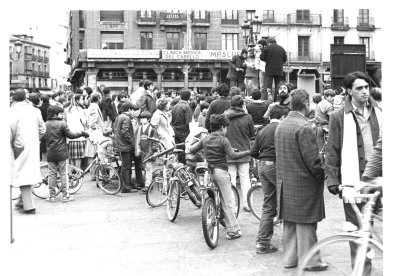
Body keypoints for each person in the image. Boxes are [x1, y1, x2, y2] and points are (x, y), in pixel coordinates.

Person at [325, 71, 382, 275]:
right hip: (353, 181)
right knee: (358, 232)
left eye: (366, 87)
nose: (365, 91)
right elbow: (332, 149)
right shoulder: (339, 116)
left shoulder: (379, 111)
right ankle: (362, 272)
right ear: (349, 91)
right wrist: (333, 180)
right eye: (359, 88)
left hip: (379, 179)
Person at [275, 89, 327, 270]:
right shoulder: (304, 127)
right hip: (303, 183)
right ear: (306, 104)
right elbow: (313, 161)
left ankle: (290, 259)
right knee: (306, 224)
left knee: (289, 223)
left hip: (285, 181)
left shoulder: (282, 124)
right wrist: (322, 175)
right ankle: (311, 261)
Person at [189, 114, 250, 240]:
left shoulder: (205, 139)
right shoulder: (223, 140)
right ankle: (233, 231)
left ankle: (212, 212)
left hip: (207, 173)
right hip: (221, 173)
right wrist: (248, 152)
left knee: (211, 196)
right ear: (222, 127)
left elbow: (192, 150)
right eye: (226, 127)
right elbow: (232, 156)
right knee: (228, 202)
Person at [250, 104, 287, 254]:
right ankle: (291, 241)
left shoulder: (262, 130)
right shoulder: (282, 129)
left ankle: (262, 243)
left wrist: (264, 159)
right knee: (286, 202)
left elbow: (253, 152)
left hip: (263, 166)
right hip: (277, 165)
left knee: (268, 205)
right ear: (283, 117)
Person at [10, 89, 46, 214]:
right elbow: (42, 129)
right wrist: (35, 139)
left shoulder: (11, 112)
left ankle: (28, 205)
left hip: (17, 147)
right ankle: (24, 201)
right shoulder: (35, 111)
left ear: (13, 99)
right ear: (26, 98)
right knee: (27, 174)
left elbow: (10, 131)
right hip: (33, 146)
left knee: (20, 175)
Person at [44, 105, 89, 202]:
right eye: (61, 113)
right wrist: (82, 133)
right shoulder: (62, 124)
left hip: (50, 153)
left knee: (52, 174)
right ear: (55, 114)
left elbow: (43, 138)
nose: (63, 115)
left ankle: (51, 196)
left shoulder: (45, 124)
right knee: (63, 174)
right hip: (62, 153)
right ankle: (65, 196)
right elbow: (71, 135)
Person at [224, 95, 255, 212]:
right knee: (245, 178)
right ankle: (248, 204)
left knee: (230, 178)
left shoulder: (224, 116)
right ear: (243, 105)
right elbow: (252, 135)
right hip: (244, 151)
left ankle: (231, 205)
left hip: (229, 151)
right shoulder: (248, 117)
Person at [114, 101, 140, 193]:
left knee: (125, 166)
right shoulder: (126, 118)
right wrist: (132, 142)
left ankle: (127, 185)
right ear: (129, 110)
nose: (133, 112)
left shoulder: (119, 117)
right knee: (126, 167)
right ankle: (126, 187)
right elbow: (125, 132)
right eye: (132, 110)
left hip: (121, 144)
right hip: (125, 145)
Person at [135, 110, 158, 193]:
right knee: (145, 168)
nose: (142, 120)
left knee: (149, 168)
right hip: (143, 151)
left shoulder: (152, 129)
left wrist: (153, 151)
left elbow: (155, 141)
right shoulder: (140, 127)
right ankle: (147, 183)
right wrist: (138, 149)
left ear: (148, 119)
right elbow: (138, 139)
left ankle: (148, 185)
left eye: (144, 118)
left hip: (149, 151)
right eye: (141, 118)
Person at [85, 92, 104, 181]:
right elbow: (92, 123)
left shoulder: (92, 107)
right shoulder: (94, 108)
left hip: (92, 133)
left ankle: (94, 174)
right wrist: (100, 128)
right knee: (95, 154)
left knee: (92, 154)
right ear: (98, 99)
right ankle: (94, 175)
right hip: (95, 134)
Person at [65, 94, 88, 169]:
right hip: (79, 135)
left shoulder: (67, 109)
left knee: (72, 157)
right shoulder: (79, 109)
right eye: (81, 99)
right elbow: (84, 122)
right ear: (77, 100)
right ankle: (78, 172)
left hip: (70, 135)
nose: (83, 101)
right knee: (79, 157)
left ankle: (72, 172)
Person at [171, 89, 193, 164]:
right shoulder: (187, 107)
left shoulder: (175, 106)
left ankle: (177, 165)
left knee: (177, 150)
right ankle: (183, 166)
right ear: (189, 97)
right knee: (184, 149)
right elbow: (189, 122)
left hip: (175, 130)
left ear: (180, 96)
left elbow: (172, 121)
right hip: (184, 131)